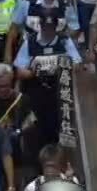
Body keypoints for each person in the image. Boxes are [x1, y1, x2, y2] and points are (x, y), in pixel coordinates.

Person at [15, 10, 84, 153]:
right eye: (45, 27)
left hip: (59, 90)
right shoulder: (30, 42)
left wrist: (59, 65)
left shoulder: (64, 41)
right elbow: (20, 72)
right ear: (40, 25)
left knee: (59, 126)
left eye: (51, 27)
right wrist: (35, 70)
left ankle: (58, 159)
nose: (48, 30)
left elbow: (77, 65)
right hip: (35, 90)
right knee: (34, 128)